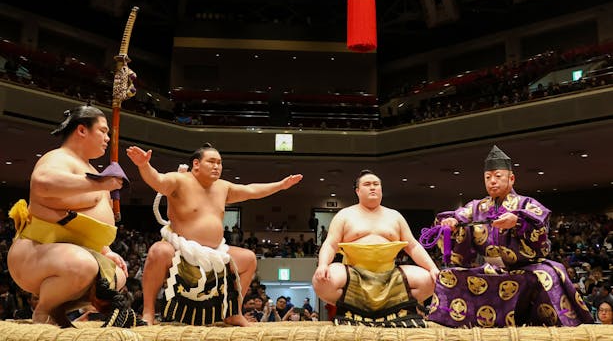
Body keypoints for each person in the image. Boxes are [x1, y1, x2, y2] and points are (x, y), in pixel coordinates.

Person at [126, 143, 302, 326]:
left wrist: (281, 185)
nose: (217, 166)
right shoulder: (179, 180)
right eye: (211, 162)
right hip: (180, 250)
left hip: (215, 252)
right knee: (157, 250)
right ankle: (148, 311)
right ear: (196, 164)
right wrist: (144, 165)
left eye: (219, 162)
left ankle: (234, 312)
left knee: (249, 259)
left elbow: (251, 191)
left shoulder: (223, 187)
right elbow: (158, 181)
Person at [428, 145, 593, 327]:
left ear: (511, 179)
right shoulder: (476, 207)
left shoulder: (525, 204)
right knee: (448, 275)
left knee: (548, 276)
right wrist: (451, 224)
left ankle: (561, 330)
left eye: (498, 176)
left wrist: (517, 221)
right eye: (488, 177)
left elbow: (539, 223)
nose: (492, 181)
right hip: (490, 268)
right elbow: (458, 216)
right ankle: (448, 327)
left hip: (527, 267)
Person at [6, 105, 139, 328]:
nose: (107, 138)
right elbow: (43, 183)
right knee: (82, 265)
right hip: (36, 250)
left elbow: (85, 226)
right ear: (81, 130)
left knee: (117, 274)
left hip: (70, 251)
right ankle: (44, 311)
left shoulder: (91, 169)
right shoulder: (59, 158)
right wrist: (99, 183)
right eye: (103, 131)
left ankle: (58, 310)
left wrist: (106, 250)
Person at [312, 170, 439, 327]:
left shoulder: (395, 216)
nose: (372, 187)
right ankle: (357, 308)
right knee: (323, 282)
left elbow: (412, 246)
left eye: (376, 184)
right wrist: (323, 264)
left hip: (390, 276)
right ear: (357, 191)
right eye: (367, 184)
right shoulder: (344, 215)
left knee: (428, 280)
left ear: (381, 189)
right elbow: (331, 244)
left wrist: (432, 268)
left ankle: (390, 308)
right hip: (354, 275)